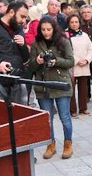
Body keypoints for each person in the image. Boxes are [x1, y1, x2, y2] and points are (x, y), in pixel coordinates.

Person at [29, 16, 75, 159]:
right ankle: (51, 145)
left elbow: (71, 61)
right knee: (47, 119)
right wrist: (37, 61)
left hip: (61, 84)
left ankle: (68, 144)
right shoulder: (36, 44)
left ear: (54, 28)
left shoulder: (63, 41)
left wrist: (56, 61)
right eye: (43, 30)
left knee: (65, 117)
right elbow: (31, 66)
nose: (46, 32)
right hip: (43, 86)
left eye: (48, 29)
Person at [66, 13, 92, 117]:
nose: (74, 24)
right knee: (71, 89)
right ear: (68, 23)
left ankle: (83, 108)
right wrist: (77, 61)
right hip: (72, 66)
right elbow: (66, 51)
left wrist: (86, 60)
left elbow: (90, 49)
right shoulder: (66, 35)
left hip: (84, 65)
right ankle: (72, 110)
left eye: (76, 22)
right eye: (71, 22)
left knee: (83, 88)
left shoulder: (84, 35)